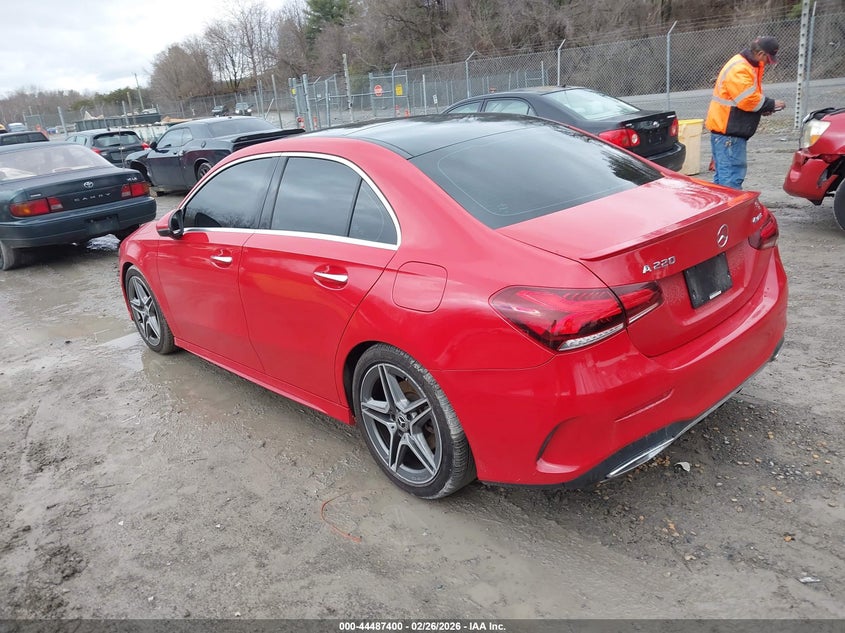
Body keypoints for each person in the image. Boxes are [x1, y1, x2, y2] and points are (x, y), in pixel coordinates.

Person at [705, 36, 786, 189]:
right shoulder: (740, 68)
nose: (769, 62)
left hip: (726, 132)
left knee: (723, 180)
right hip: (729, 134)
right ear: (761, 54)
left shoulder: (747, 65)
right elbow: (748, 100)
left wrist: (763, 108)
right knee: (730, 181)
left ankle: (724, 210)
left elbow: (742, 99)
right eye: (768, 58)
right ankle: (731, 212)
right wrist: (771, 104)